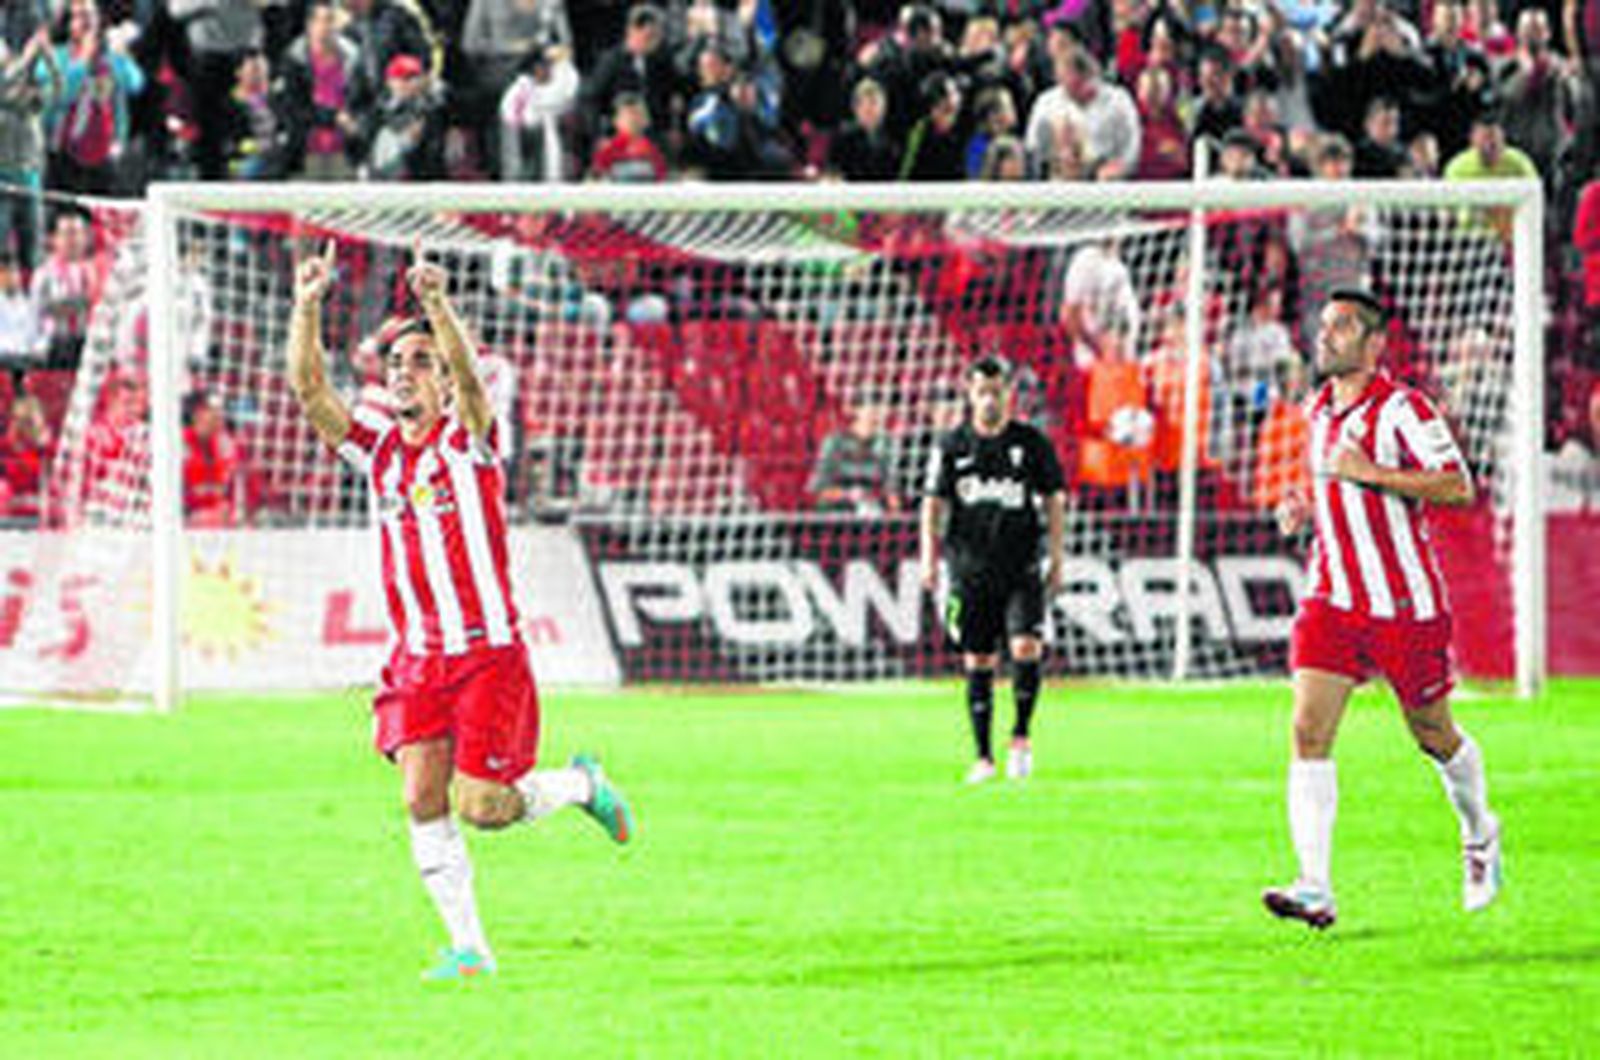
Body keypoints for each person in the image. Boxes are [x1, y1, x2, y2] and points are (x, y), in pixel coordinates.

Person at [287, 241, 635, 980]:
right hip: (416, 658)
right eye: (395, 365)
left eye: (419, 364)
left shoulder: (469, 442)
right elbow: (315, 400)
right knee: (420, 795)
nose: (403, 375)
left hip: (487, 655)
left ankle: (580, 786)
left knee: (484, 807)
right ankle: (470, 948)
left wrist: (438, 306)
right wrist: (308, 305)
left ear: (443, 379)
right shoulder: (380, 453)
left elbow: (476, 393)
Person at [1263, 288, 1502, 930]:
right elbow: (1335, 493)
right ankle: (1315, 885)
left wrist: (1373, 473)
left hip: (1404, 604)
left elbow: (1457, 485)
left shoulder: (1402, 408)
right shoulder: (1317, 411)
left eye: (1341, 327)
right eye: (1323, 325)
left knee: (1432, 734)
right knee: (1308, 732)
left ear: (1374, 344)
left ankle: (1480, 831)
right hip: (1332, 598)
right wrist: (1305, 510)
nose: (1325, 336)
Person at [919, 356, 1066, 784]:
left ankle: (1020, 736)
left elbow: (1055, 499)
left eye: (997, 391)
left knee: (1026, 648)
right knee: (979, 658)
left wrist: (1057, 558)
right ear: (970, 394)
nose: (989, 400)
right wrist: (928, 558)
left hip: (1021, 566)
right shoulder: (951, 446)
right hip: (969, 569)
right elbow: (933, 504)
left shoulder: (1032, 443)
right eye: (982, 391)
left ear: (1009, 394)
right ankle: (983, 757)